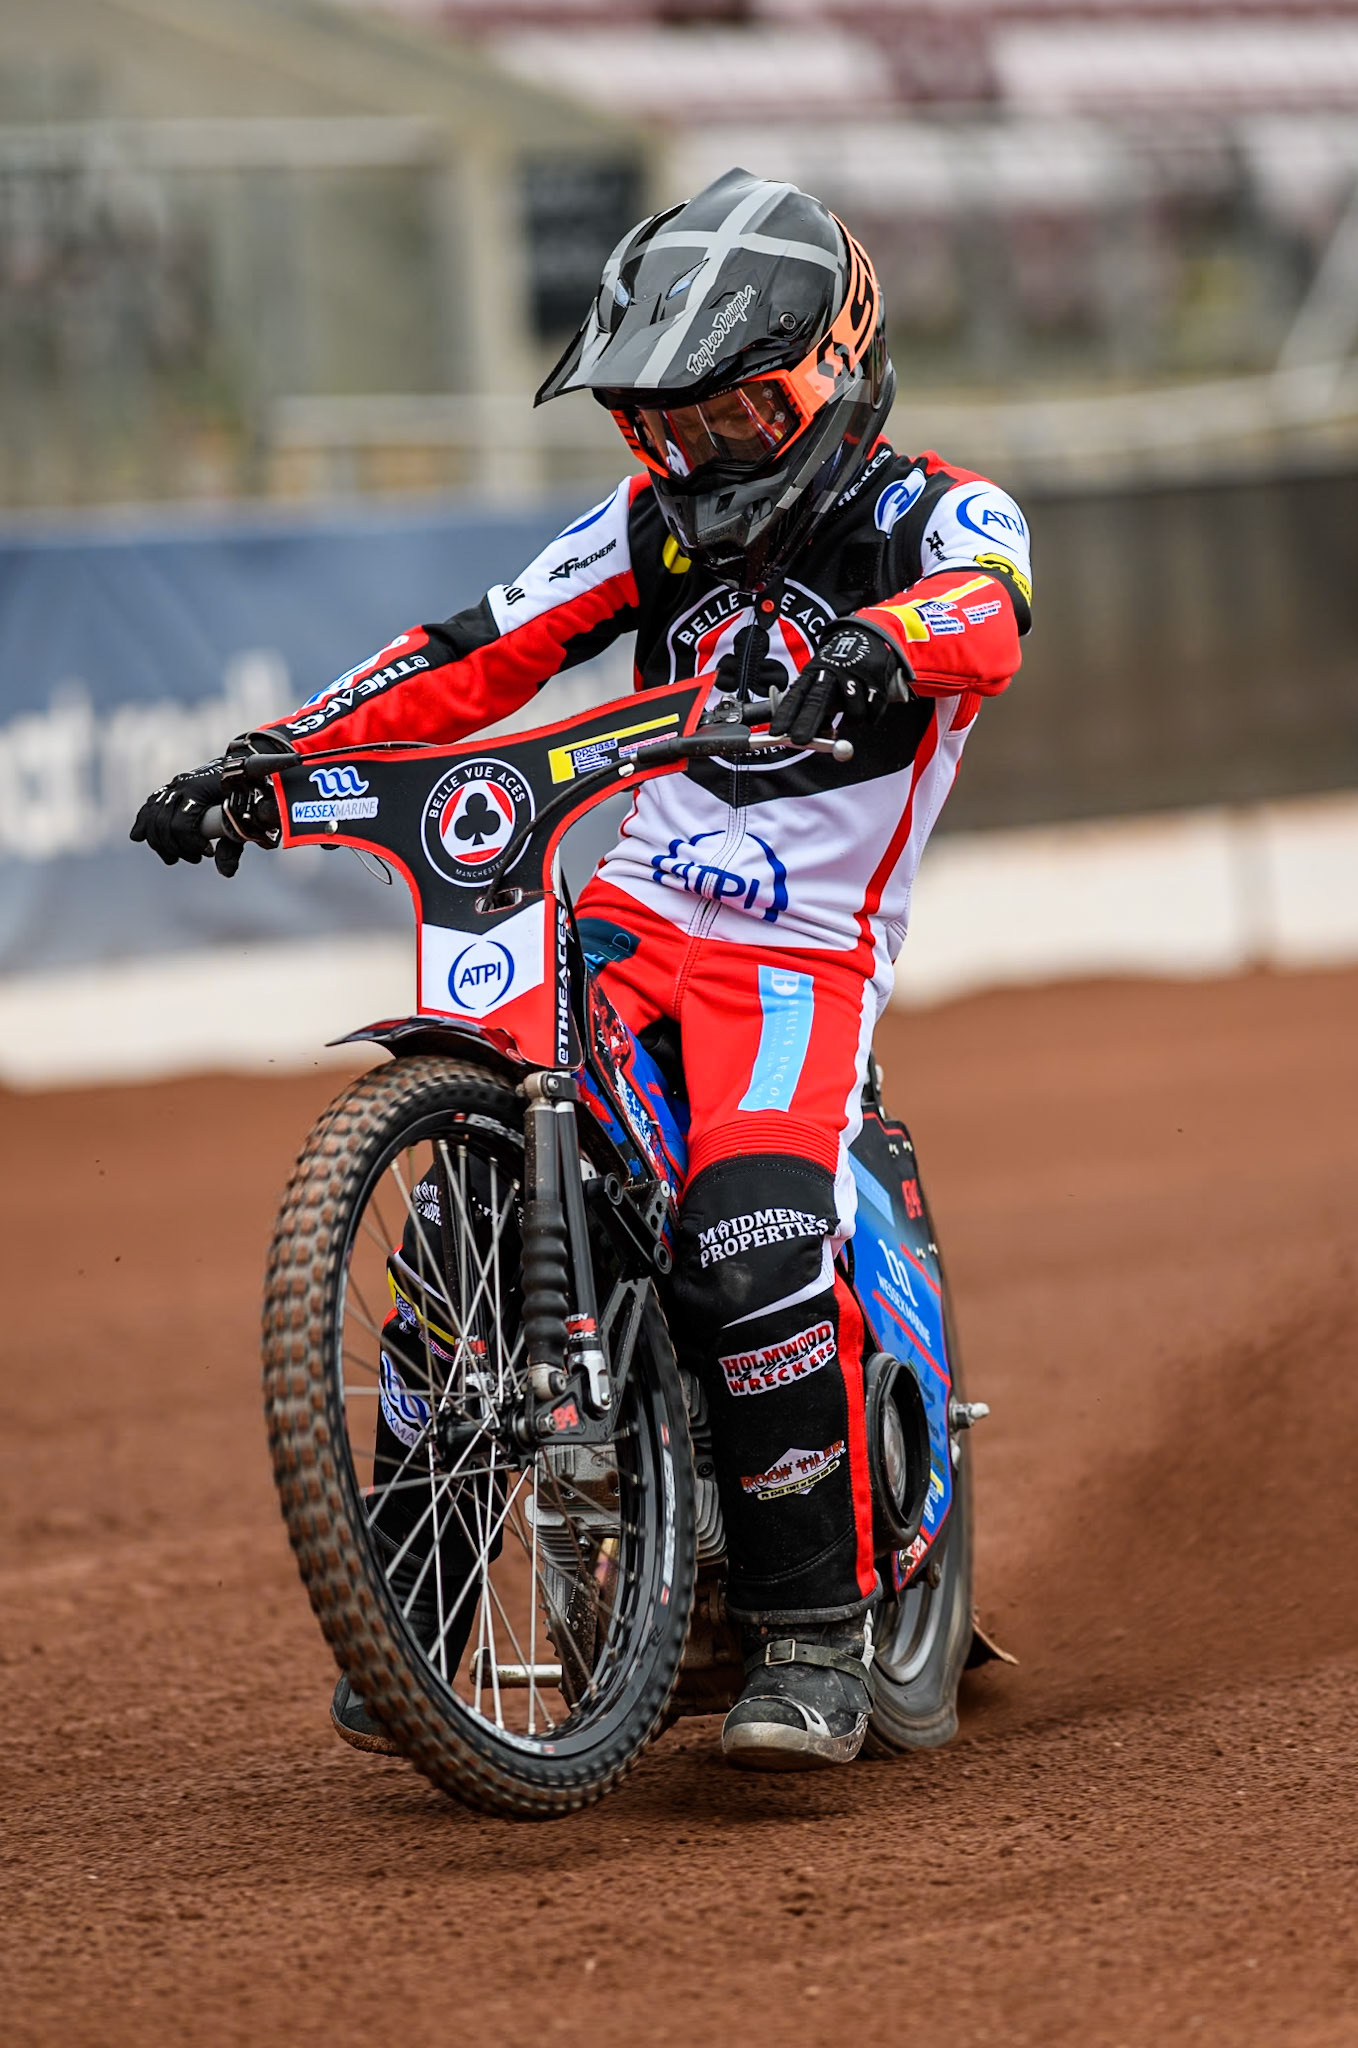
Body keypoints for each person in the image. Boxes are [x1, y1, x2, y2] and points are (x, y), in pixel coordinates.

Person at [132, 168, 1032, 1772]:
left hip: (794, 961)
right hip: (626, 926)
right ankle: (411, 1610)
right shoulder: (642, 524)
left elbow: (988, 609)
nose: (700, 456)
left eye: (735, 417)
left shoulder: (934, 516)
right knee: (462, 1212)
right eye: (665, 427)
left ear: (837, 365)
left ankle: (810, 1639)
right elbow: (469, 652)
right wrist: (272, 757)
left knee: (751, 1237)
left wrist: (882, 641)